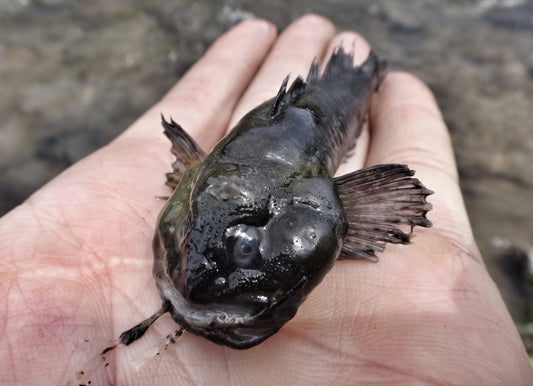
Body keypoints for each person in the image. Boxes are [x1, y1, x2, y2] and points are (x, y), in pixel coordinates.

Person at [0, 14, 531, 385]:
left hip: (320, 125)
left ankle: (372, 74)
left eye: (247, 244)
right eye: (187, 238)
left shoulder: (311, 199)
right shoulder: (203, 187)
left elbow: (382, 199)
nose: (196, 282)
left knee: (363, 82)